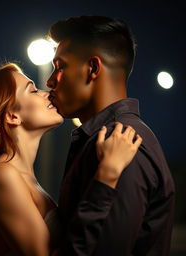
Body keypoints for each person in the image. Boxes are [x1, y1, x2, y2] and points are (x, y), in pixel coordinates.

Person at [0, 62, 142, 256]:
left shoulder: (19, 176)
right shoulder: (1, 175)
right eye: (33, 90)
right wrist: (108, 173)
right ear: (12, 116)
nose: (47, 93)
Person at [46, 15, 175, 256]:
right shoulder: (103, 139)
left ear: (93, 68)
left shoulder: (122, 143)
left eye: (60, 66)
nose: (50, 80)